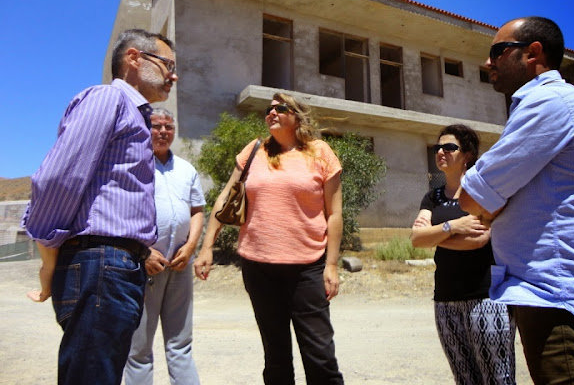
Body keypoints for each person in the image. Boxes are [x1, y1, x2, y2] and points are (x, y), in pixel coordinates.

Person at [459, 17, 574, 384]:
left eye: (498, 51)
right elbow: (484, 199)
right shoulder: (541, 104)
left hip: (560, 302)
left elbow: (471, 197)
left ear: (533, 53)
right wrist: (495, 199)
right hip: (552, 300)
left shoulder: (550, 102)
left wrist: (491, 203)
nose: (488, 62)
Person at [22, 29, 178, 385]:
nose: (174, 75)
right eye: (167, 65)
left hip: (114, 268)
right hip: (101, 266)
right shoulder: (109, 99)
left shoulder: (136, 115)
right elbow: (58, 178)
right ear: (134, 58)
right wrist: (48, 253)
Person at [194, 92, 345, 385]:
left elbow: (334, 214)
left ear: (297, 116)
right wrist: (207, 246)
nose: (271, 112)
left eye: (280, 108)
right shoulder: (254, 150)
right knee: (275, 357)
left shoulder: (320, 152)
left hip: (307, 267)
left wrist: (331, 265)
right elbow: (225, 198)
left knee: (320, 355)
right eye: (268, 109)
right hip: (258, 267)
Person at [410, 124, 516, 384]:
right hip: (445, 299)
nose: (441, 152)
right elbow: (416, 239)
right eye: (438, 148)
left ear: (467, 154)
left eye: (449, 147)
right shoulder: (432, 197)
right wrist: (453, 226)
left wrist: (434, 236)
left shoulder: (483, 192)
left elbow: (478, 240)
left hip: (486, 298)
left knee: (498, 379)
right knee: (465, 379)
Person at [125, 107, 205, 384]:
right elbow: (120, 214)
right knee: (138, 350)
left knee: (180, 344)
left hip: (180, 266)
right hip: (143, 267)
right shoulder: (132, 165)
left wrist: (191, 245)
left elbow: (197, 210)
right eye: (156, 126)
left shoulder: (186, 169)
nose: (162, 131)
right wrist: (144, 252)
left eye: (168, 126)